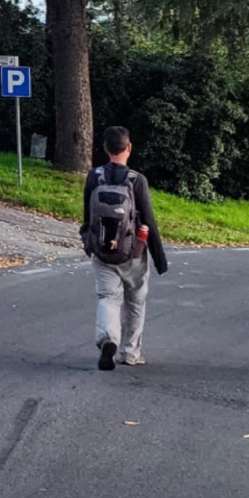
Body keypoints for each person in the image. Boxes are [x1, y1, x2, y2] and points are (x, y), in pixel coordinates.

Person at [83, 125, 167, 370]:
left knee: (108, 298)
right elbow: (148, 220)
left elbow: (87, 216)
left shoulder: (94, 176)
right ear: (129, 147)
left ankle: (108, 339)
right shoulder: (137, 180)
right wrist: (159, 258)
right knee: (136, 300)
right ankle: (130, 352)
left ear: (105, 148)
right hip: (133, 253)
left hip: (102, 251)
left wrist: (89, 242)